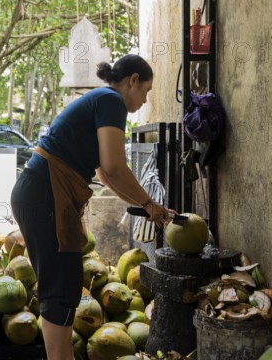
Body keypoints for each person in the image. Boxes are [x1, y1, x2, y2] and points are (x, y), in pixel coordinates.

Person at [10, 54, 177, 360]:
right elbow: (114, 167)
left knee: (63, 284)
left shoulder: (100, 100)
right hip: (45, 193)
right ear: (133, 81)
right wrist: (149, 203)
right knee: (60, 288)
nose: (144, 100)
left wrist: (147, 206)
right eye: (146, 91)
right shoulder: (110, 101)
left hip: (39, 192)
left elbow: (103, 170)